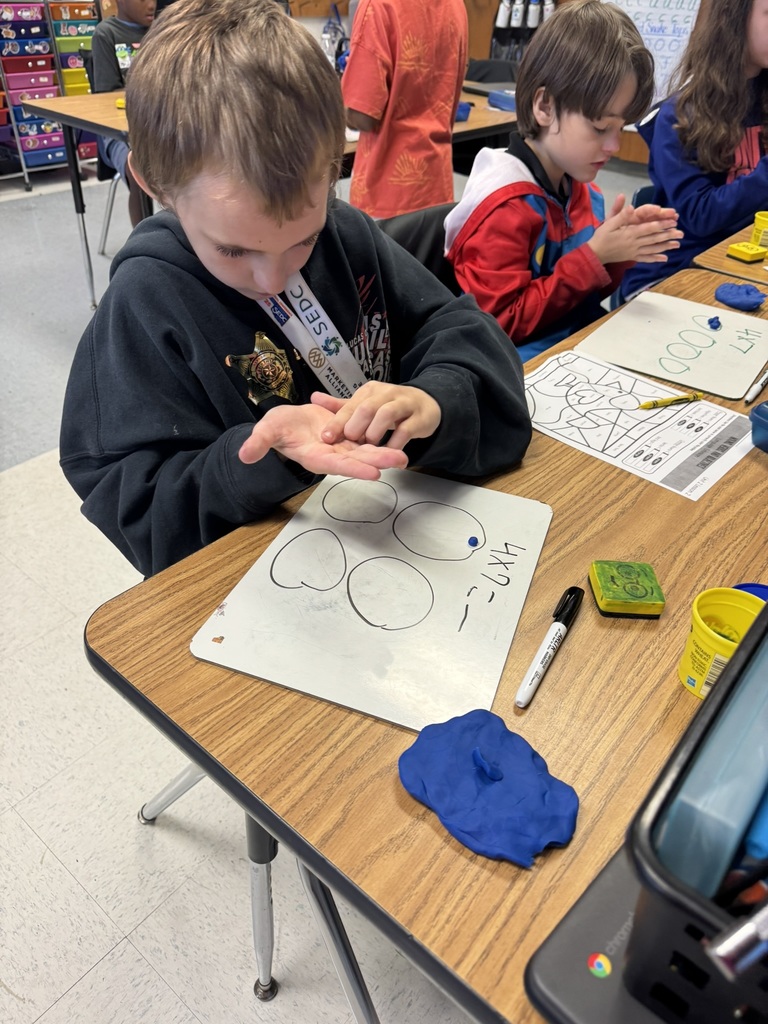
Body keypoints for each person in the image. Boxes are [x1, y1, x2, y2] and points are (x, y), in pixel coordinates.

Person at [59, 0, 532, 580]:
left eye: (302, 240)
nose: (275, 278)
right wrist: (256, 461)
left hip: (401, 548)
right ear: (155, 184)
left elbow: (461, 332)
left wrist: (434, 398)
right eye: (234, 249)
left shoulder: (345, 232)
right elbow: (133, 500)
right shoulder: (146, 303)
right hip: (264, 590)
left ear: (334, 170)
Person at [444, 0, 683, 362]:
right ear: (544, 107)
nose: (614, 146)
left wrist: (619, 252)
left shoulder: (582, 190)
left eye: (620, 128)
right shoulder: (504, 206)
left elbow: (578, 297)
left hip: (567, 348)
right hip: (508, 369)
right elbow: (497, 326)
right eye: (601, 127)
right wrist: (594, 256)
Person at [621, 0, 768, 299]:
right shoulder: (678, 115)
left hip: (746, 265)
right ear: (735, 20)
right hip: (677, 273)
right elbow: (701, 216)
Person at [340, 0, 468, 218]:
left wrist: (340, 92)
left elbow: (362, 116)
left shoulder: (378, 5)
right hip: (437, 191)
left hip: (385, 199)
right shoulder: (455, 6)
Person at [89, 0, 155, 227]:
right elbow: (106, 95)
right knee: (137, 165)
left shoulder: (162, 31)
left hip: (157, 123)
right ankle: (144, 243)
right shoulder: (106, 34)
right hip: (116, 132)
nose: (151, 5)